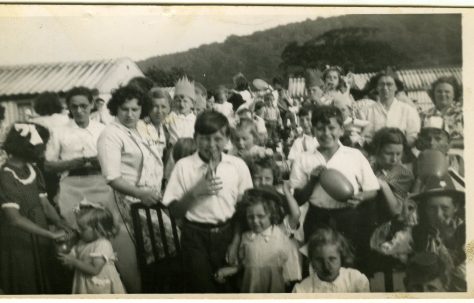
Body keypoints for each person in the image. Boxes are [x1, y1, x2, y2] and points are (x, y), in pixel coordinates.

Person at [162, 110, 253, 293]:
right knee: (201, 288)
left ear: (228, 138)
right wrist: (195, 192)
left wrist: (235, 242)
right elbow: (175, 212)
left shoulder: (237, 166)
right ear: (195, 138)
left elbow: (243, 209)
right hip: (195, 238)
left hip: (228, 234)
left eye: (218, 138)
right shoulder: (183, 166)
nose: (211, 145)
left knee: (229, 287)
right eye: (204, 138)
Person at [97, 85, 167, 293]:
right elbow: (112, 178)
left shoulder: (138, 130)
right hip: (125, 204)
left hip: (147, 200)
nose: (130, 114)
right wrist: (140, 194)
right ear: (115, 109)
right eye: (124, 109)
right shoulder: (110, 134)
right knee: (133, 264)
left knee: (158, 255)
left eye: (135, 109)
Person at [290, 106, 379, 248]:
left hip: (348, 217)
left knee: (349, 261)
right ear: (313, 131)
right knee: (317, 262)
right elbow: (297, 199)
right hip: (317, 218)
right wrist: (312, 181)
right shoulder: (303, 158)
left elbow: (372, 189)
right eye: (320, 128)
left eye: (331, 128)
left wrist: (361, 197)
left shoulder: (354, 155)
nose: (326, 133)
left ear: (341, 130)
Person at [0, 123, 71, 294]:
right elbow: (14, 219)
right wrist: (50, 234)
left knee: (46, 278)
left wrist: (62, 224)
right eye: (42, 145)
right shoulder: (5, 175)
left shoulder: (33, 170)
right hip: (18, 239)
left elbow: (45, 205)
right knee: (25, 281)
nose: (44, 150)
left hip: (40, 234)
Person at [214, 184, 301, 293]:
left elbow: (296, 214)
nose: (255, 221)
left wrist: (286, 191)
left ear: (271, 214)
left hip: (274, 289)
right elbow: (244, 265)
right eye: (250, 217)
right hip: (251, 289)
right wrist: (227, 271)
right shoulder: (246, 237)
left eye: (260, 216)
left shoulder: (280, 231)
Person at [44, 86, 108, 228]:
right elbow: (48, 166)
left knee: (102, 227)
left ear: (92, 104)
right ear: (69, 107)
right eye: (74, 107)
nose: (79, 111)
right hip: (71, 186)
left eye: (83, 106)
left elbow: (114, 162)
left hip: (101, 185)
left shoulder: (103, 130)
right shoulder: (58, 132)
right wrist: (75, 163)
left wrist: (100, 162)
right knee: (75, 227)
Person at [410, 174, 466, 291]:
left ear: (456, 207)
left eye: (445, 208)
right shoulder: (420, 234)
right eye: (432, 208)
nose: (438, 215)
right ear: (425, 209)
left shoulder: (469, 233)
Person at [58, 200, 126, 294]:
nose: (79, 231)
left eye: (82, 229)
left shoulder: (103, 244)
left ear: (98, 229)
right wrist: (68, 253)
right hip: (86, 283)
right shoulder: (82, 242)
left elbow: (95, 270)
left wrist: (74, 261)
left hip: (99, 284)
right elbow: (75, 255)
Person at [292, 227, 370, 293]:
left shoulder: (356, 280)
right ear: (311, 261)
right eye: (319, 260)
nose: (326, 266)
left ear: (341, 258)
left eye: (332, 259)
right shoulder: (302, 290)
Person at [358, 71, 421, 146]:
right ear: (376, 87)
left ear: (396, 87)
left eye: (389, 84)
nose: (385, 88)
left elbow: (413, 136)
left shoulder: (408, 110)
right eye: (381, 84)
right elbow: (358, 136)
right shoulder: (365, 111)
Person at [420, 76, 463, 148]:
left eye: (447, 92)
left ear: (454, 94)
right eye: (439, 91)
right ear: (433, 94)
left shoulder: (463, 114)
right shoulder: (424, 115)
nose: (443, 94)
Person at [136, 87, 172, 161]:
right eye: (155, 106)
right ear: (148, 107)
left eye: (163, 107)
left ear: (169, 109)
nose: (159, 111)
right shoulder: (140, 126)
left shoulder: (166, 131)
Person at [167, 76, 197, 145]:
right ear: (174, 102)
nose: (181, 104)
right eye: (178, 101)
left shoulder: (195, 119)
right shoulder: (171, 116)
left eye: (185, 101)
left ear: (192, 104)